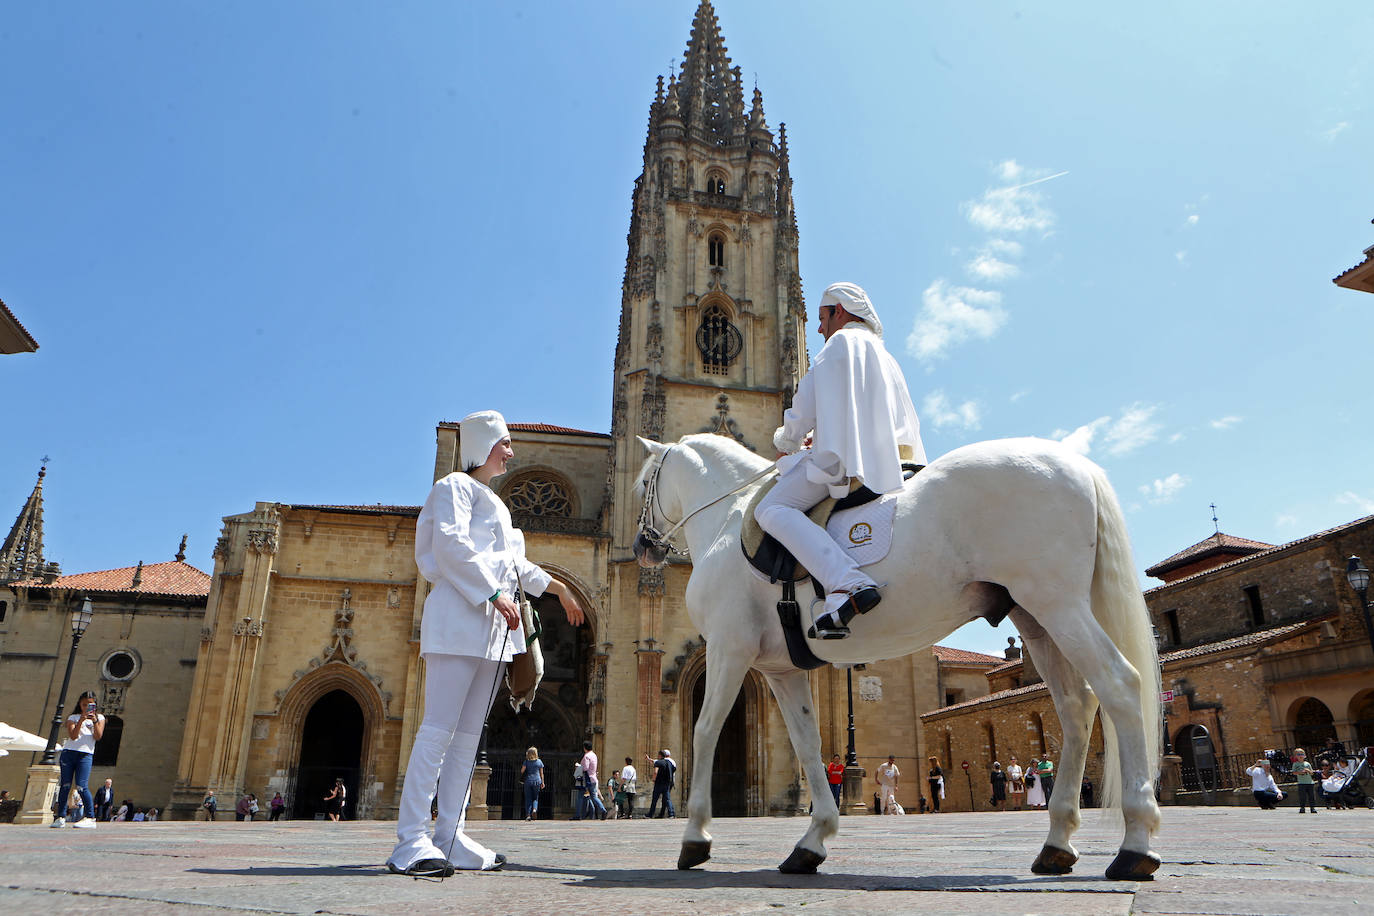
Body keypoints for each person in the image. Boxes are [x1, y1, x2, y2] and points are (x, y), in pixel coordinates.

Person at [387, 410, 585, 877]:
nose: (511, 452)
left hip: (493, 631)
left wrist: (558, 588)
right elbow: (451, 547)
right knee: (437, 731)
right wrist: (493, 594)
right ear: (483, 446)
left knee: (467, 739)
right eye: (505, 443)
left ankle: (450, 836)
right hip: (458, 619)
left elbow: (516, 566)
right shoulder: (452, 488)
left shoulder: (497, 505)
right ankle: (410, 840)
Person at [755, 282, 925, 639]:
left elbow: (804, 407)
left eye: (821, 318)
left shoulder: (839, 345)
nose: (819, 328)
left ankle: (846, 582)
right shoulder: (883, 353)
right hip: (895, 458)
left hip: (849, 464)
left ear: (840, 312)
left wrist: (785, 443)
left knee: (771, 510)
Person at [50, 691, 104, 828]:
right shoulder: (73, 717)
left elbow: (98, 736)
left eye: (89, 705)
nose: (86, 707)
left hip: (85, 755)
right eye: (84, 704)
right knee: (65, 786)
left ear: (95, 705)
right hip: (69, 753)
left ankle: (90, 817)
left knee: (81, 785)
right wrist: (81, 719)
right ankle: (60, 817)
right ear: (80, 704)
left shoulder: (100, 718)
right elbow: (73, 736)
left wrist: (94, 720)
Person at [580, 741, 608, 820]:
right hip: (594, 778)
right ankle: (600, 811)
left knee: (589, 796)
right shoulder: (594, 755)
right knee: (593, 797)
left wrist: (579, 766)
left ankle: (582, 814)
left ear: (585, 748)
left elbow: (585, 768)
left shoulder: (587, 756)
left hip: (589, 778)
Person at [646, 749, 676, 818]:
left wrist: (653, 779)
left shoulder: (659, 762)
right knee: (667, 799)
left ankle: (650, 814)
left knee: (655, 799)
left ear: (660, 755)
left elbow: (655, 771)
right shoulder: (670, 763)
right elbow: (673, 770)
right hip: (667, 784)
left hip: (659, 783)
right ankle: (671, 814)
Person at [519, 747, 545, 821]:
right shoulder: (539, 762)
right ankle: (534, 810)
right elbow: (541, 773)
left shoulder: (526, 762)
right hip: (537, 781)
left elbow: (522, 771)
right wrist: (542, 782)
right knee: (535, 797)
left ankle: (528, 815)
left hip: (528, 781)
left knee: (528, 798)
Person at [1291, 748, 1317, 814]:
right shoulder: (1295, 764)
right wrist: (1299, 772)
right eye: (1298, 754)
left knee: (1312, 796)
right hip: (1301, 783)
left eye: (1302, 754)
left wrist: (1308, 771)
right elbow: (1293, 772)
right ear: (1296, 756)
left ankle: (1312, 807)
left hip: (1310, 782)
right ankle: (1302, 807)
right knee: (1302, 796)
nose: (1300, 756)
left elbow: (1312, 772)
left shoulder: (1307, 764)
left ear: (1305, 755)